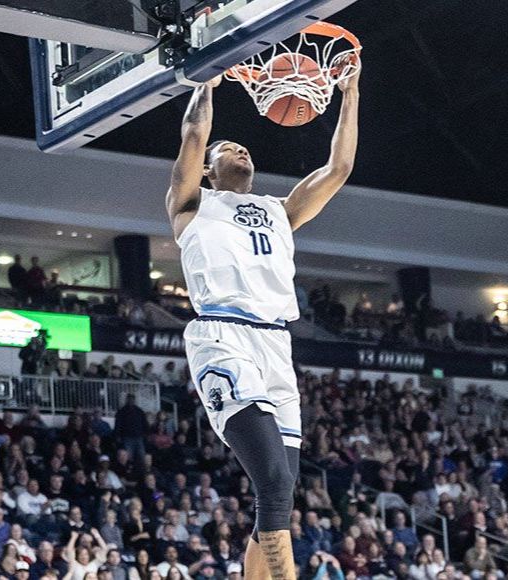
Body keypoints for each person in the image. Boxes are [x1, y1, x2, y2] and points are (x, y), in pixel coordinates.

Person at [165, 55, 360, 580]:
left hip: (277, 345)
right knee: (273, 482)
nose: (240, 148)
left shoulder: (281, 210)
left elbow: (338, 169)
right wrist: (207, 76)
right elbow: (191, 133)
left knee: (282, 493)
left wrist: (351, 92)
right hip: (223, 337)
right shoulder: (191, 204)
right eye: (227, 147)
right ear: (209, 168)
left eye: (243, 146)